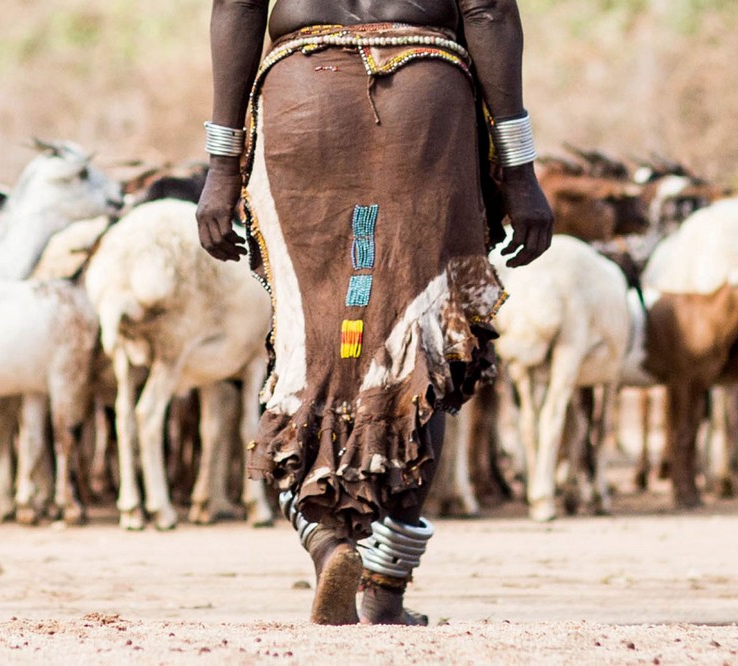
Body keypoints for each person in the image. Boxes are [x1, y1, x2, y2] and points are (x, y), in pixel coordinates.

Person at [197, 0, 553, 625]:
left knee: (312, 337)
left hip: (301, 101)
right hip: (426, 106)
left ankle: (325, 539)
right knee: (431, 336)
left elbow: (238, 5)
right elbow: (489, 11)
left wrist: (222, 165)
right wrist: (519, 170)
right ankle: (386, 586)